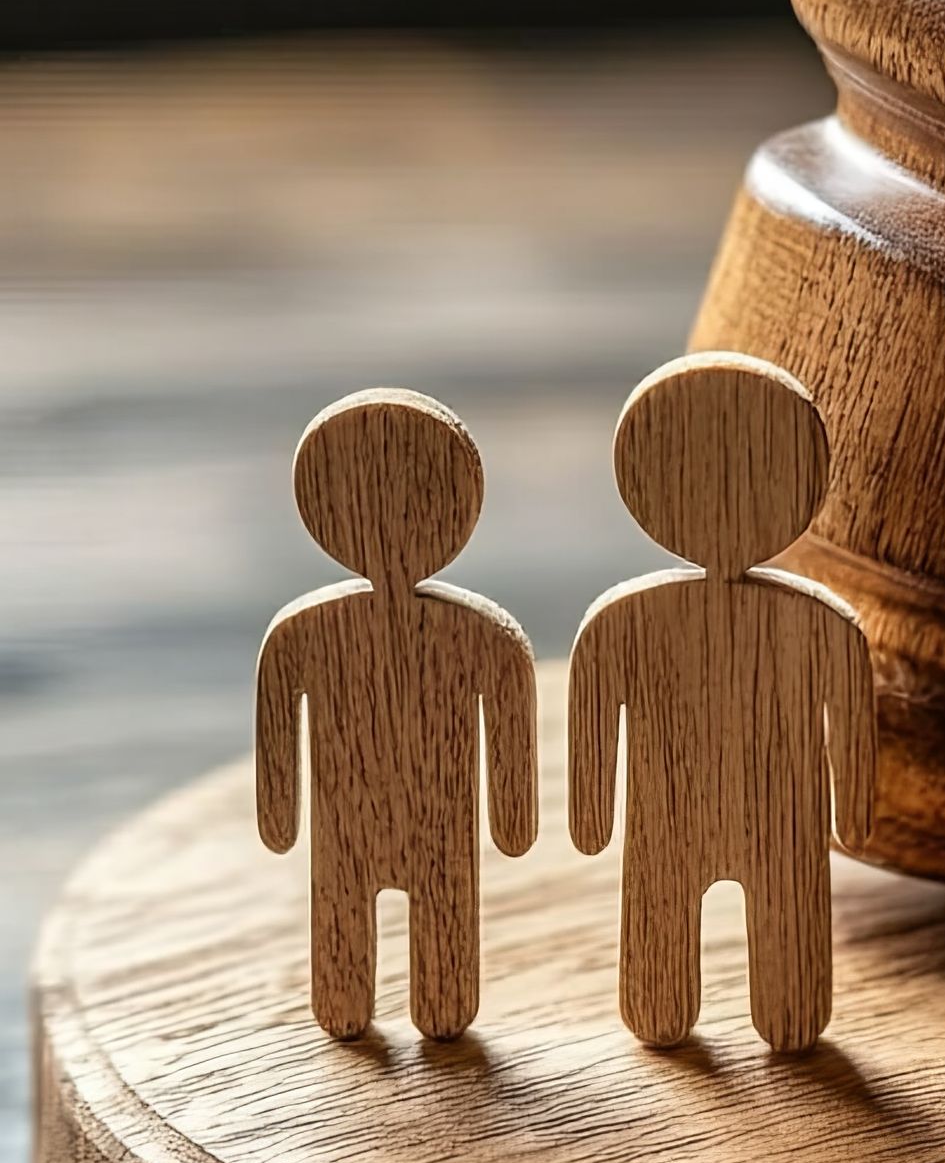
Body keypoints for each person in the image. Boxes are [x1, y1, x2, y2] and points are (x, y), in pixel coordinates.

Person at [570, 354, 875, 1052]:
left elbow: (849, 714)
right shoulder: (816, 624)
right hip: (719, 818)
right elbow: (597, 707)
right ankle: (704, 1009)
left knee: (761, 940)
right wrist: (855, 814)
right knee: (683, 948)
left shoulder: (631, 621)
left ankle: (761, 1012)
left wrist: (591, 817)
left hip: (727, 819)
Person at [257, 387, 537, 1038]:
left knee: (422, 955)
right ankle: (379, 1006)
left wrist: (279, 819)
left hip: (398, 826)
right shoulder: (306, 635)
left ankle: (410, 1006)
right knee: (374, 944)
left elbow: (508, 714)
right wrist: (514, 821)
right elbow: (278, 730)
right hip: (400, 825)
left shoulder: (307, 634)